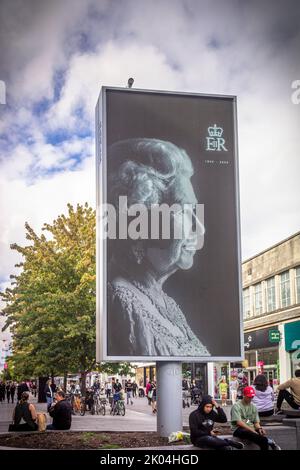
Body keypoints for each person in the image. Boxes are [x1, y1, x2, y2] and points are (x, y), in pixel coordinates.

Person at [107, 138, 209, 357]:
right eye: (183, 210)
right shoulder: (122, 298)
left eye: (195, 211)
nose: (199, 228)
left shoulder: (166, 302)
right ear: (144, 224)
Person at [231, 386, 278, 450]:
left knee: (262, 439)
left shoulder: (253, 407)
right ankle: (269, 441)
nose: (251, 398)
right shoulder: (236, 406)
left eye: (252, 397)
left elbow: (256, 422)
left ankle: (268, 441)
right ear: (244, 395)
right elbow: (239, 422)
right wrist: (253, 430)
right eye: (249, 397)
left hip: (250, 428)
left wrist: (259, 428)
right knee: (249, 433)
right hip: (238, 429)